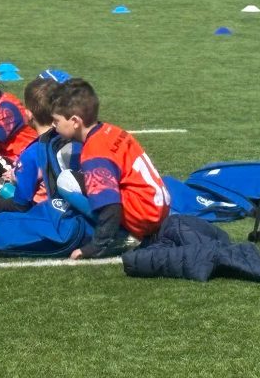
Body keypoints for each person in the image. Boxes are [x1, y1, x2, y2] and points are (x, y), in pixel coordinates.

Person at [51, 78, 170, 259]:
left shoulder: (94, 151)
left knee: (66, 181)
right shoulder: (111, 130)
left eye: (56, 121)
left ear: (75, 121)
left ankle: (122, 236)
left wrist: (94, 247)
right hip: (157, 209)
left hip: (143, 218)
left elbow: (110, 207)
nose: (54, 126)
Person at [0, 76, 79, 226]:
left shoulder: (32, 153)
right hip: (75, 212)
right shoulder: (72, 140)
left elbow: (20, 206)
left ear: (28, 114)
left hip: (50, 217)